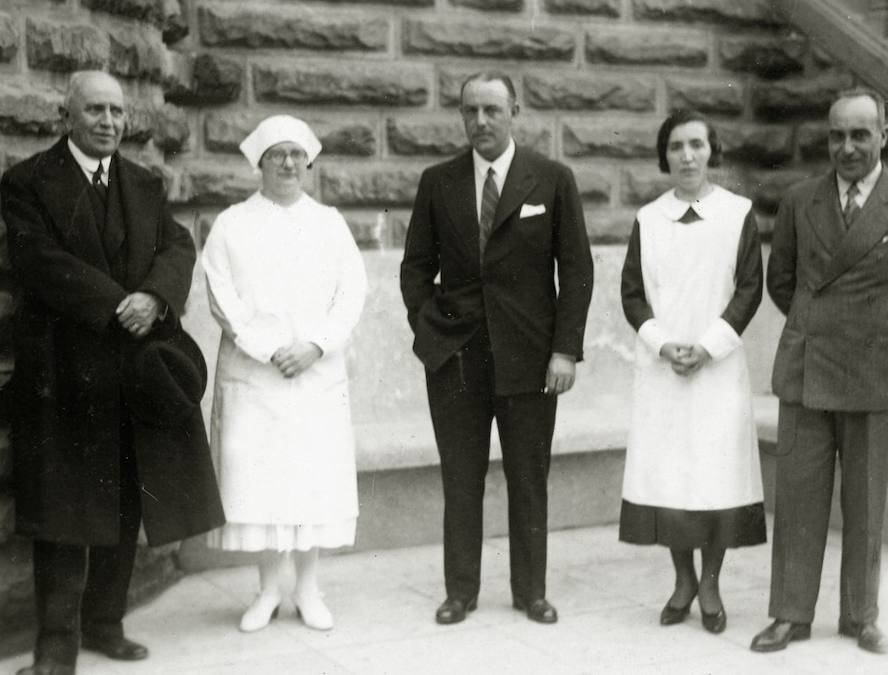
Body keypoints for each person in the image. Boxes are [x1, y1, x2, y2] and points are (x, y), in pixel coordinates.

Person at [0, 70, 224, 675]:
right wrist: (114, 303)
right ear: (66, 115)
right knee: (65, 518)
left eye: (117, 112)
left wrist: (153, 296)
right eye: (95, 110)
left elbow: (178, 247)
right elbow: (37, 259)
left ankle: (106, 625)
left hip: (132, 375)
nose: (108, 122)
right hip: (65, 377)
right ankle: (56, 647)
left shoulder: (143, 183)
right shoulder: (27, 182)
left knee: (125, 504)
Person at [400, 71, 593, 625]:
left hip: (531, 358)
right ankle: (460, 591)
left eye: (491, 109)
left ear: (515, 111)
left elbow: (577, 271)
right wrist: (430, 330)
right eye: (469, 111)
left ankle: (530, 590)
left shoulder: (551, 179)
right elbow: (415, 270)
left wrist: (565, 350)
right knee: (461, 479)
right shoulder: (438, 181)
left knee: (528, 477)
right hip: (455, 358)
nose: (479, 121)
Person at [202, 115, 367, 633]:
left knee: (311, 478)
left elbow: (351, 293)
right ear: (260, 162)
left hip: (315, 374)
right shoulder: (232, 224)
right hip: (257, 374)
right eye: (278, 154)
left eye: (298, 154)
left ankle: (309, 588)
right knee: (261, 480)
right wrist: (270, 348)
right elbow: (222, 296)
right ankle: (270, 589)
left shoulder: (330, 223)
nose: (289, 163)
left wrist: (315, 345)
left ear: (309, 161)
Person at [751, 87, 888, 655]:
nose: (847, 147)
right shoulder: (799, 201)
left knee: (866, 502)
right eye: (837, 135)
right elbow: (780, 281)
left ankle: (861, 616)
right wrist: (819, 326)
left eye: (860, 134)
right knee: (798, 499)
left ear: (883, 135)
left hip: (876, 371)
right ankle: (791, 614)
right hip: (809, 369)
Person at [619, 109, 766, 636]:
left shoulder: (737, 214)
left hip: (717, 372)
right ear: (665, 155)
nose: (687, 156)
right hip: (663, 373)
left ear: (712, 151)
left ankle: (711, 583)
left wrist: (707, 347)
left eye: (697, 145)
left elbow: (750, 288)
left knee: (716, 478)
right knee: (671, 481)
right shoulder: (648, 219)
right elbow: (632, 293)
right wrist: (663, 346)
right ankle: (682, 579)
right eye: (677, 146)